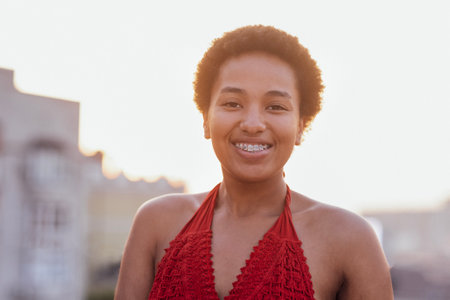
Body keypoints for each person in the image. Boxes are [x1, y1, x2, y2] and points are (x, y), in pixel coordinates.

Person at [114, 25, 393, 299]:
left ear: (300, 127)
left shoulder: (349, 239)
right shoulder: (156, 222)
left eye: (275, 107)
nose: (253, 124)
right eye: (233, 103)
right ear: (205, 120)